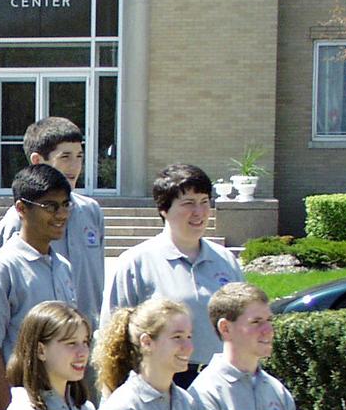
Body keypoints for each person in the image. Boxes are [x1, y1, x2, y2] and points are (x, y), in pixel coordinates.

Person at [102, 164, 243, 387]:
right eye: (188, 203)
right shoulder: (136, 263)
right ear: (164, 210)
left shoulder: (226, 261)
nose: (199, 212)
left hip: (220, 382)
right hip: (162, 383)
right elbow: (112, 339)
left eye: (204, 202)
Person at [0, 164, 76, 410]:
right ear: (21, 208)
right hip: (19, 409)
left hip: (58, 406)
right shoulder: (1, 269)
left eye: (65, 204)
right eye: (50, 206)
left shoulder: (63, 267)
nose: (61, 214)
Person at [0, 117, 105, 328]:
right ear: (38, 161)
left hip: (85, 342)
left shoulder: (91, 212)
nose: (75, 166)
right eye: (65, 157)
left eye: (79, 156)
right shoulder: (16, 221)